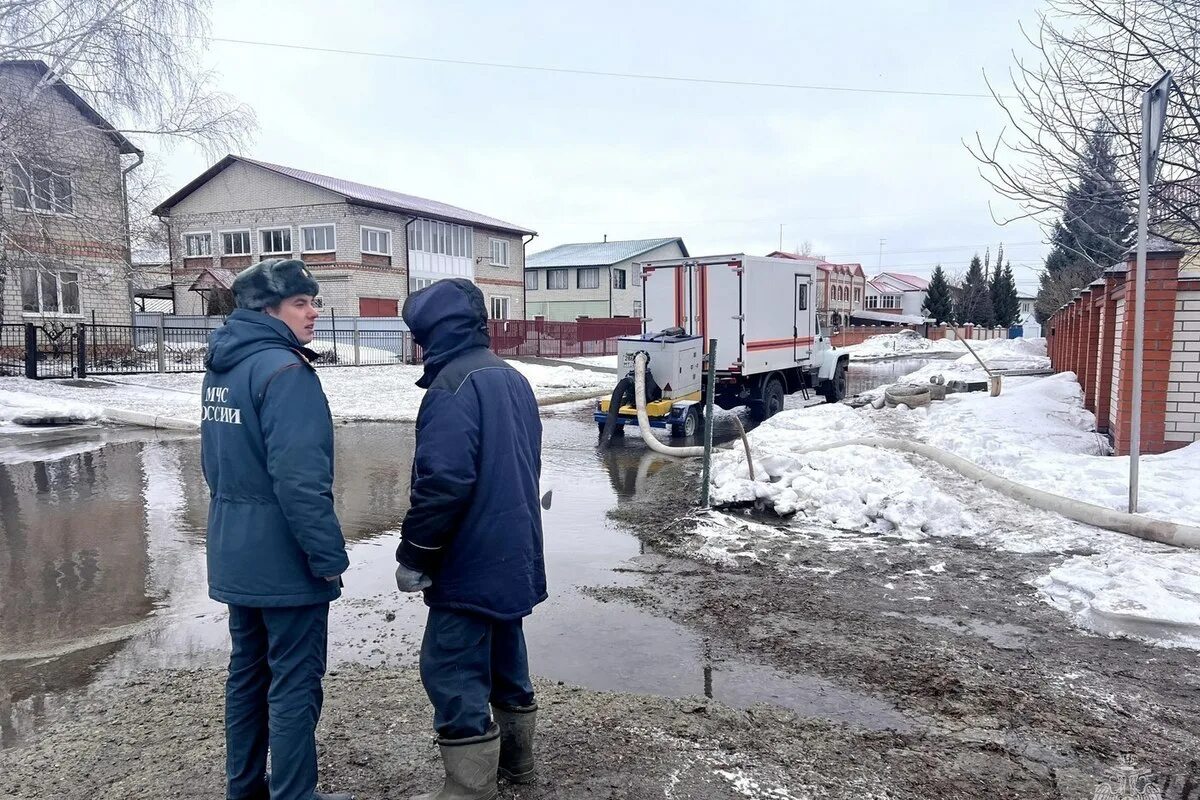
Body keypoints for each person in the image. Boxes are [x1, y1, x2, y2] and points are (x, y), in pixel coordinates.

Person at [201, 258, 353, 800]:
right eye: (301, 303)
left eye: (314, 301)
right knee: (293, 684)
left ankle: (244, 790)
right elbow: (300, 483)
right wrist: (329, 557)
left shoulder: (223, 366)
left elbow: (215, 464)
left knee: (248, 675)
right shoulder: (286, 372)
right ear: (268, 310)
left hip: (235, 551)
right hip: (284, 562)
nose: (314, 312)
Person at [395, 279, 547, 800]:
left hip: (467, 556)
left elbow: (443, 482)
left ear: (431, 334)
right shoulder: (513, 379)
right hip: (514, 549)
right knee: (506, 652)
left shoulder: (451, 387)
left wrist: (415, 553)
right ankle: (517, 768)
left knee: (452, 667)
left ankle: (468, 790)